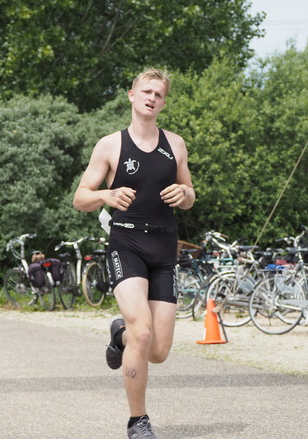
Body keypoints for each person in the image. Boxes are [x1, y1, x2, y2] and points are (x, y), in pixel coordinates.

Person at [73, 68, 195, 438]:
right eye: (146, 91)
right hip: (126, 243)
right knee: (142, 334)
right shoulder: (110, 145)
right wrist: (105, 196)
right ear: (131, 95)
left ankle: (119, 335)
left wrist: (185, 195)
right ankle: (138, 421)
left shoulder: (175, 144)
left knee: (157, 351)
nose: (151, 98)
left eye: (158, 95)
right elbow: (80, 198)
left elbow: (189, 194)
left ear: (163, 102)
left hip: (164, 247)